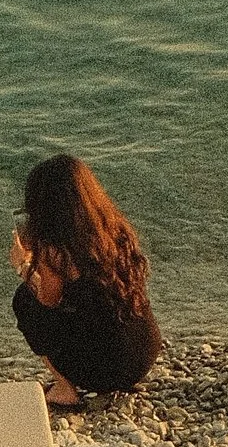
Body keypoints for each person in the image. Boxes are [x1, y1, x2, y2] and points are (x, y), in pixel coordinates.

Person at [10, 153, 162, 407]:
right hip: (144, 352)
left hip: (104, 373)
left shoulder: (55, 250)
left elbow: (47, 301)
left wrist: (24, 266)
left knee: (24, 299)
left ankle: (65, 389)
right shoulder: (112, 229)